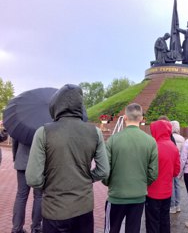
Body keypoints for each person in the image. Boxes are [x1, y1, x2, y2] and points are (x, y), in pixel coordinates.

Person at [26, 84, 110, 233]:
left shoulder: (44, 132)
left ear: (56, 105)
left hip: (54, 210)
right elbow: (104, 171)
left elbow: (33, 178)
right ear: (80, 105)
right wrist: (88, 178)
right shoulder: (95, 132)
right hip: (84, 208)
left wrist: (49, 184)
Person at [103, 103, 158, 233]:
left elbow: (105, 170)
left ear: (125, 118)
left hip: (117, 195)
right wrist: (142, 184)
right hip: (138, 196)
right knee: (133, 230)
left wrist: (109, 183)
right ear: (141, 119)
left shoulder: (113, 140)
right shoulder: (150, 141)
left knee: (111, 229)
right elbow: (153, 172)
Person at [145, 120, 180, 233]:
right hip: (167, 192)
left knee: (152, 221)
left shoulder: (152, 146)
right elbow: (176, 172)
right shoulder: (173, 147)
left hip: (152, 191)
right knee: (164, 219)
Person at [11, 138, 42, 233]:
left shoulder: (22, 123)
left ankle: (16, 228)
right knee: (39, 196)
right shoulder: (44, 124)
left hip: (22, 161)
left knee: (21, 196)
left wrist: (15, 156)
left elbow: (15, 140)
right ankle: (36, 228)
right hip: (38, 163)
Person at [169, 120, 185, 214]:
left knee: (171, 184)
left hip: (171, 163)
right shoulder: (182, 138)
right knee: (177, 184)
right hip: (178, 163)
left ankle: (172, 206)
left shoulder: (170, 137)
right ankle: (178, 205)